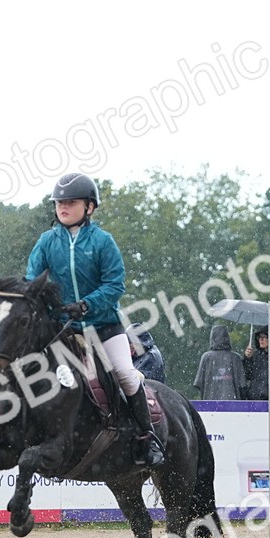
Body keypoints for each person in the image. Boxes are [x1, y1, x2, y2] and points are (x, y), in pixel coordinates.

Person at [26, 172, 163, 467]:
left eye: (70, 202)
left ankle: (146, 437)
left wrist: (87, 305)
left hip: (103, 326)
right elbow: (32, 281)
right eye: (59, 202)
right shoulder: (47, 242)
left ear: (89, 207)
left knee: (125, 374)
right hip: (63, 328)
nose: (63, 207)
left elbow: (115, 285)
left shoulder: (103, 242)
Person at [194, 324, 246, 401]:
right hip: (233, 406)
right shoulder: (236, 358)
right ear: (227, 338)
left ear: (212, 338)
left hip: (210, 404)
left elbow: (198, 384)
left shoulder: (206, 357)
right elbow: (242, 385)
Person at [242, 327, 269, 401]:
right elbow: (248, 375)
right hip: (254, 397)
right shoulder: (254, 355)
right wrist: (247, 358)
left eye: (264, 337)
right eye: (259, 337)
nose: (261, 339)